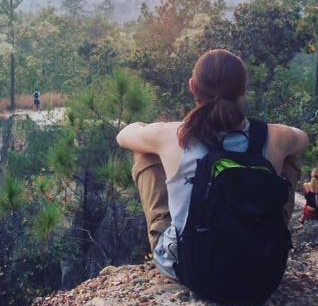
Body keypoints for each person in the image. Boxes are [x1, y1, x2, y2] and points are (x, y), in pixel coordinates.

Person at [116, 49, 308, 283]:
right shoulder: (274, 136)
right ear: (243, 89)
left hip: (193, 270)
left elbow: (124, 136)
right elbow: (303, 139)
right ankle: (269, 239)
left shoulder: (172, 135)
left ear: (192, 86)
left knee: (144, 153)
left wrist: (152, 131)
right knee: (290, 156)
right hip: (262, 273)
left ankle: (170, 242)